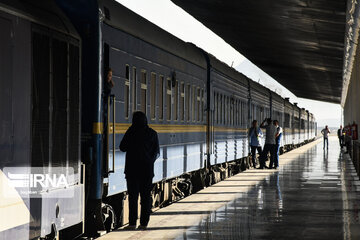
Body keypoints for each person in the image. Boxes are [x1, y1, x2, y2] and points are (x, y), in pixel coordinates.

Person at [120, 111, 160, 230]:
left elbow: (122, 147)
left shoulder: (131, 132)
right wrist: (148, 162)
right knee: (145, 197)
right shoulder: (152, 133)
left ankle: (132, 223)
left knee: (133, 198)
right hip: (147, 171)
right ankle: (144, 223)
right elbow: (156, 152)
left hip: (132, 171)